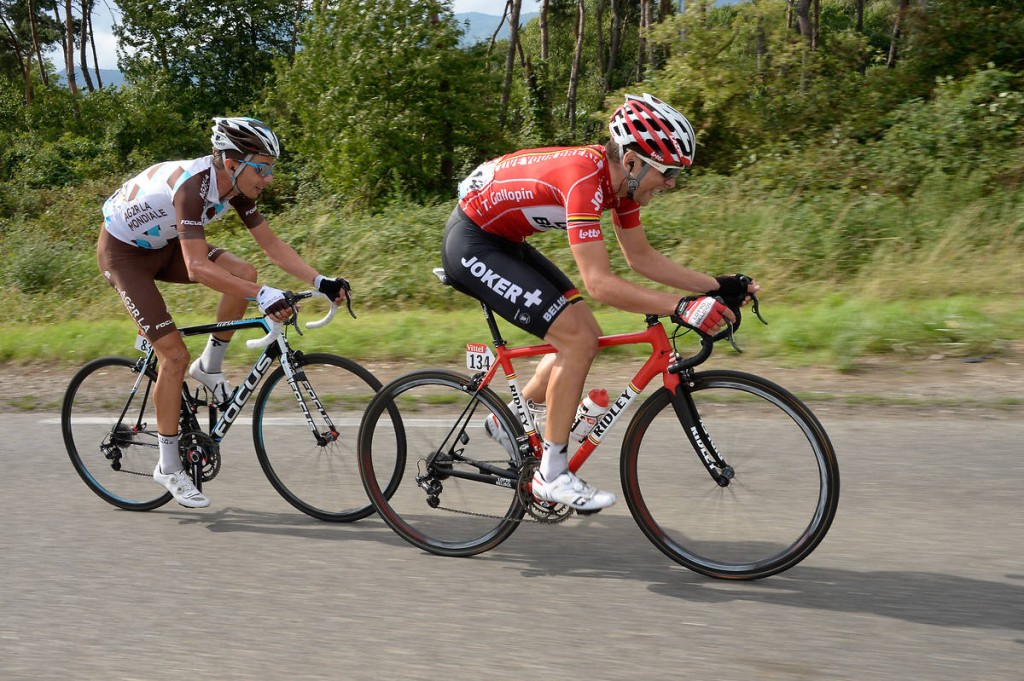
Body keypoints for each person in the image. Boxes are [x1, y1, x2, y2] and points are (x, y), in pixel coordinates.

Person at [442, 93, 759, 512]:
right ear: (632, 162)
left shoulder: (624, 186)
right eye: (667, 172)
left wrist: (713, 286)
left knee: (583, 334)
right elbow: (599, 283)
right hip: (473, 245)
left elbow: (640, 258)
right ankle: (551, 476)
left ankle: (506, 422)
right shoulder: (583, 179)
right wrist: (682, 307)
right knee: (577, 339)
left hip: (503, 240)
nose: (671, 183)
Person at [97, 117, 350, 508]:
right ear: (232, 162)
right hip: (125, 256)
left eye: (271, 169)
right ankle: (167, 466)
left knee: (245, 272)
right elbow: (197, 267)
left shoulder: (234, 187)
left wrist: (322, 281)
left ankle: (210, 366)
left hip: (163, 248)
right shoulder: (192, 188)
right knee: (174, 356)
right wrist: (262, 295)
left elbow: (272, 247)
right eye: (262, 168)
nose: (268, 179)